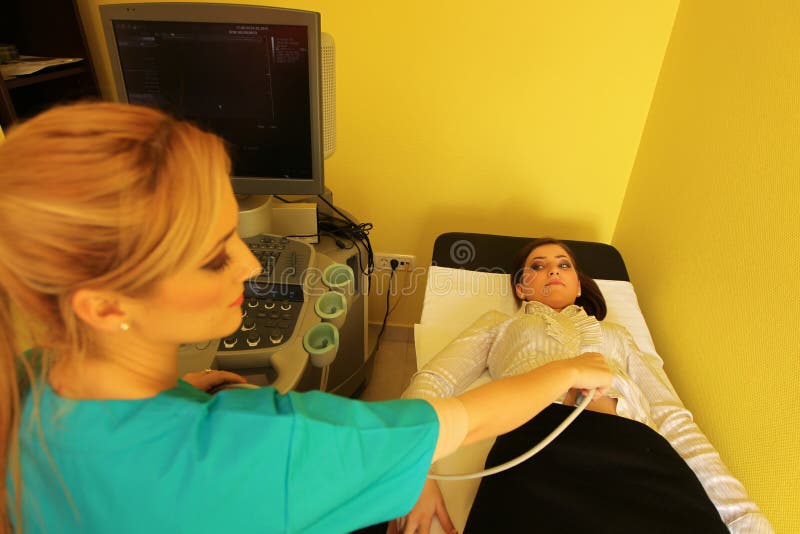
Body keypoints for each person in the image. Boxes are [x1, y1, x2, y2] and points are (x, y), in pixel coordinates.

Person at [0, 102, 613, 534]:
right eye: (215, 258)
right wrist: (569, 373)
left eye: (232, 234)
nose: (247, 264)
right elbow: (453, 413)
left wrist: (175, 396)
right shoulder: (268, 442)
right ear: (105, 306)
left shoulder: (27, 380)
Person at [398, 238, 774, 534]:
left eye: (564, 265)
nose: (553, 270)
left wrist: (746, 520)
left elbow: (673, 416)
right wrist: (416, 470)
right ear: (522, 288)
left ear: (579, 285)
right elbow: (434, 380)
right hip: (536, 446)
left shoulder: (618, 336)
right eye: (537, 266)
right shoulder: (501, 324)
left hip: (640, 453)